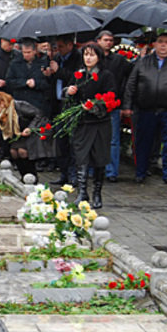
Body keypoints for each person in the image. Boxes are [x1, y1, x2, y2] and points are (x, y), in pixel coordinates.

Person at [123, 33, 167, 184]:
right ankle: (141, 171)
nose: (163, 45)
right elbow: (131, 84)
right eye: (160, 42)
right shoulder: (143, 62)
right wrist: (127, 105)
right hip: (145, 108)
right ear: (154, 44)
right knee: (143, 142)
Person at [64, 43, 115, 209]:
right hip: (83, 123)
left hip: (99, 123)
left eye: (92, 55)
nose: (88, 58)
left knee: (99, 159)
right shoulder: (79, 75)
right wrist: (69, 92)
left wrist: (94, 106)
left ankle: (97, 193)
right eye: (86, 54)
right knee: (81, 158)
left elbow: (111, 97)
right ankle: (82, 192)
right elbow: (69, 97)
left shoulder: (105, 75)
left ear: (99, 57)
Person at [0, 91, 57, 181]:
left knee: (22, 151)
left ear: (2, 104)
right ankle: (23, 176)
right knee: (13, 152)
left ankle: (32, 177)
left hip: (32, 131)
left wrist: (30, 128)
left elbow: (38, 114)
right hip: (19, 134)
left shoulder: (19, 106)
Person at [96, 30, 132, 183]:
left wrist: (125, 102)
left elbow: (130, 77)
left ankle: (111, 171)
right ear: (98, 41)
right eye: (105, 40)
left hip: (113, 104)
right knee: (95, 138)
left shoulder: (119, 60)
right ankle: (94, 169)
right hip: (95, 104)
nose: (108, 43)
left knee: (113, 139)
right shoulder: (92, 58)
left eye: (111, 40)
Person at [48, 35, 82, 186]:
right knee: (60, 141)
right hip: (57, 104)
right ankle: (63, 173)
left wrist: (58, 71)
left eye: (61, 46)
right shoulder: (56, 58)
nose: (58, 50)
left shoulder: (78, 58)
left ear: (70, 45)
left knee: (72, 142)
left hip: (70, 104)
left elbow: (75, 78)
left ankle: (74, 174)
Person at [6, 39, 50, 117]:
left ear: (34, 51)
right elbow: (9, 81)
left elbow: (48, 83)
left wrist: (36, 83)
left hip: (36, 102)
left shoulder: (43, 63)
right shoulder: (15, 63)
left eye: (29, 52)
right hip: (20, 101)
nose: (26, 55)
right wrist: (24, 82)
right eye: (24, 52)